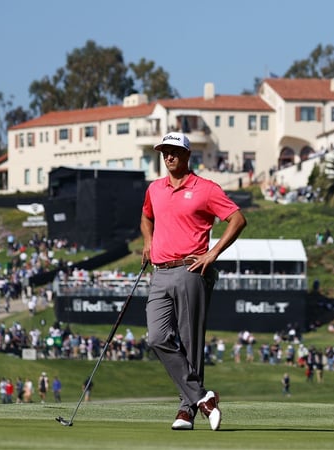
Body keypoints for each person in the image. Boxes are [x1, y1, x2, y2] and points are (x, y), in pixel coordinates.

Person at [141, 132, 247, 432]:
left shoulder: (206, 189)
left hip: (191, 269)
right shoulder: (155, 189)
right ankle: (203, 398)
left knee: (190, 343)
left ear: (188, 155)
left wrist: (212, 254)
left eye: (174, 151)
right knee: (157, 337)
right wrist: (148, 241)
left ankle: (186, 410)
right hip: (160, 271)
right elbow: (146, 217)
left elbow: (237, 219)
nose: (168, 156)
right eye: (165, 152)